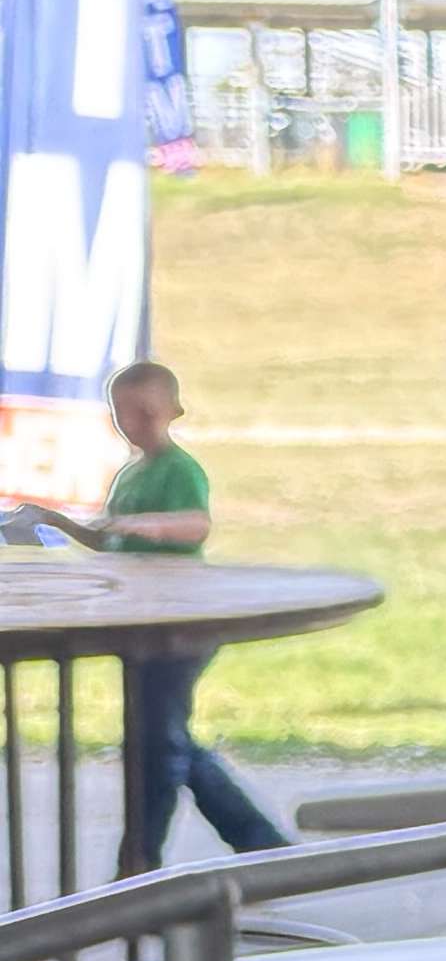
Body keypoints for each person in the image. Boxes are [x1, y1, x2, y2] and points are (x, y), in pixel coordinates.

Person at [66, 361, 289, 869]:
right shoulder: (129, 474)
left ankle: (141, 861)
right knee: (166, 743)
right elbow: (117, 542)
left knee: (161, 748)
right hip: (142, 626)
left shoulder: (180, 469)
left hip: (180, 626)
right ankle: (260, 846)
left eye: (146, 412)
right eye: (124, 414)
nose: (135, 423)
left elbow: (195, 525)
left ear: (173, 411)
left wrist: (142, 526)